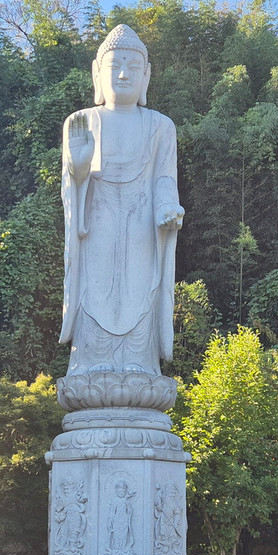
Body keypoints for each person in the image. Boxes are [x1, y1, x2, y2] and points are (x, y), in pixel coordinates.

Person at [60, 24, 185, 376]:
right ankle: (86, 367)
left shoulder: (161, 126)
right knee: (93, 289)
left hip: (141, 226)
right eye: (114, 66)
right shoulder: (82, 121)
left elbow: (164, 177)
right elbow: (72, 186)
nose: (124, 74)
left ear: (146, 75)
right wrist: (79, 168)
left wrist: (167, 208)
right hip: (96, 223)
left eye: (132, 66)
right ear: (97, 74)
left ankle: (141, 367)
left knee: (140, 290)